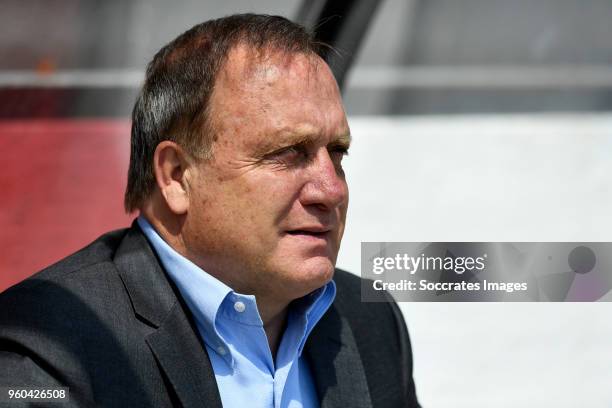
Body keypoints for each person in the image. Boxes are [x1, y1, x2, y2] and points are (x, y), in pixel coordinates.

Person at [0, 14, 420, 408]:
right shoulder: (47, 342)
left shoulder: (369, 319)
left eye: (337, 153)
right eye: (288, 153)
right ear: (177, 176)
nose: (331, 190)